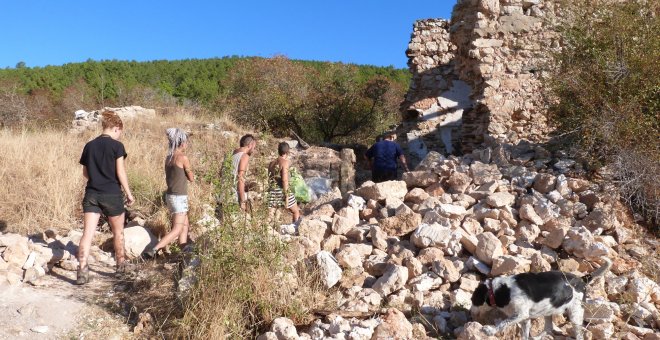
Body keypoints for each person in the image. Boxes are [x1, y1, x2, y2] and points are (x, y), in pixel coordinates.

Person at [77, 110, 135, 285]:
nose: (119, 135)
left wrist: (97, 179)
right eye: (120, 132)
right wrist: (129, 193)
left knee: (87, 234)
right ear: (116, 128)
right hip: (112, 194)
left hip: (92, 194)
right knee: (118, 232)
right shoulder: (117, 147)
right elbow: (120, 172)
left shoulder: (89, 145)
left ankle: (81, 270)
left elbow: (85, 172)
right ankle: (120, 267)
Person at [142, 128, 194, 259]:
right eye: (186, 142)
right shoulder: (182, 158)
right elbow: (191, 177)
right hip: (179, 197)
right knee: (177, 228)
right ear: (181, 143)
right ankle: (154, 249)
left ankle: (184, 249)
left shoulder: (168, 158)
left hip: (170, 196)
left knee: (185, 224)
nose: (187, 145)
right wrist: (191, 174)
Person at [267, 142, 301, 224]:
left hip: (272, 191)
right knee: (295, 211)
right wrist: (286, 196)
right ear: (287, 152)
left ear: (278, 151)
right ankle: (295, 229)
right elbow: (284, 180)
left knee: (271, 215)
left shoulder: (271, 163)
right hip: (282, 190)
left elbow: (269, 178)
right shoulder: (285, 163)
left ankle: (269, 231)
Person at [231, 134, 257, 211]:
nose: (254, 149)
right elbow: (240, 178)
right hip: (233, 197)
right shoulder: (244, 156)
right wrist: (242, 202)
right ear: (250, 144)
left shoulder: (230, 154)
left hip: (222, 194)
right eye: (254, 147)